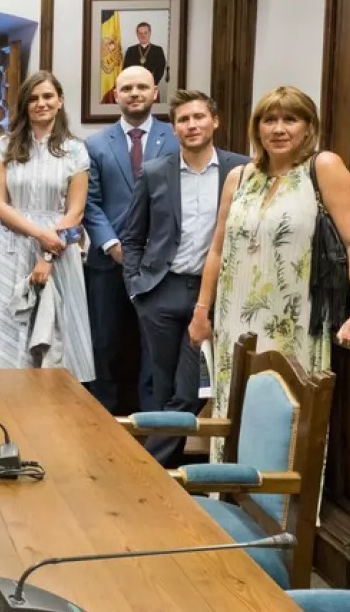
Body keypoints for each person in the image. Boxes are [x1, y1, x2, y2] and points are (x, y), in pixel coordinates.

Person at [188, 86, 350, 462]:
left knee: (284, 416)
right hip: (235, 323)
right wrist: (202, 310)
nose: (279, 129)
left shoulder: (324, 168)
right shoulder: (239, 177)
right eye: (269, 120)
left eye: (291, 119)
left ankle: (281, 498)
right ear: (257, 127)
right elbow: (217, 249)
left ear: (309, 127)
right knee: (234, 408)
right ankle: (228, 490)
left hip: (293, 321)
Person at [122, 90, 249, 466]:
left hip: (212, 295)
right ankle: (169, 473)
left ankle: (146, 466)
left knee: (191, 389)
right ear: (174, 128)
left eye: (199, 117)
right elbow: (132, 236)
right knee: (163, 387)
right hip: (161, 291)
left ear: (215, 121)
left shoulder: (241, 171)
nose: (192, 125)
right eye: (183, 120)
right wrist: (137, 288)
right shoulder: (155, 171)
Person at [0, 71, 94, 381]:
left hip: (60, 248)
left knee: (56, 332)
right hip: (11, 244)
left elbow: (76, 212)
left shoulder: (76, 150)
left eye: (48, 96)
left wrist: (48, 253)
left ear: (60, 101)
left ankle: (53, 402)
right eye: (33, 98)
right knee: (8, 327)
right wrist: (39, 234)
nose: (41, 103)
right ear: (23, 105)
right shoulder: (4, 147)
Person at [83, 65, 178, 413]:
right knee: (104, 341)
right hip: (108, 261)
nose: (134, 93)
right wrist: (112, 245)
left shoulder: (176, 138)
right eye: (127, 88)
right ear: (115, 96)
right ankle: (102, 415)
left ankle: (152, 419)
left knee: (154, 345)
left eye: (141, 87)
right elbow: (89, 202)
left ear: (155, 93)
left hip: (160, 261)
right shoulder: (94, 144)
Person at [122, 22, 167, 86]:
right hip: (134, 85)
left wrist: (152, 82)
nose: (143, 36)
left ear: (150, 33)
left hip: (151, 84)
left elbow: (160, 69)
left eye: (145, 33)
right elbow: (126, 69)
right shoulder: (130, 50)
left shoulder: (158, 50)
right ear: (137, 34)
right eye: (140, 33)